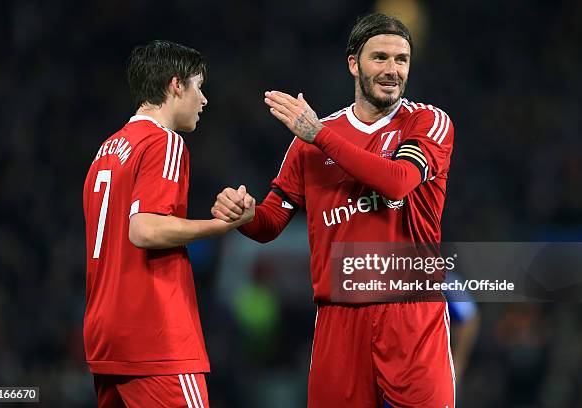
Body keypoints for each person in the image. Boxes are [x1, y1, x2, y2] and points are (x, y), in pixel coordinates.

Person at [212, 13, 455, 407]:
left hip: (411, 313)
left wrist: (319, 136)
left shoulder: (426, 121)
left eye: (402, 60)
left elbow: (398, 181)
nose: (392, 70)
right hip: (338, 318)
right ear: (353, 64)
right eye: (380, 58)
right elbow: (272, 221)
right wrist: (245, 216)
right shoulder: (311, 141)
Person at [83, 40, 254, 408]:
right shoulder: (165, 142)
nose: (204, 99)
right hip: (154, 335)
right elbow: (144, 229)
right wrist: (218, 226)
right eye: (199, 86)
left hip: (104, 335)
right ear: (176, 85)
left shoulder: (106, 151)